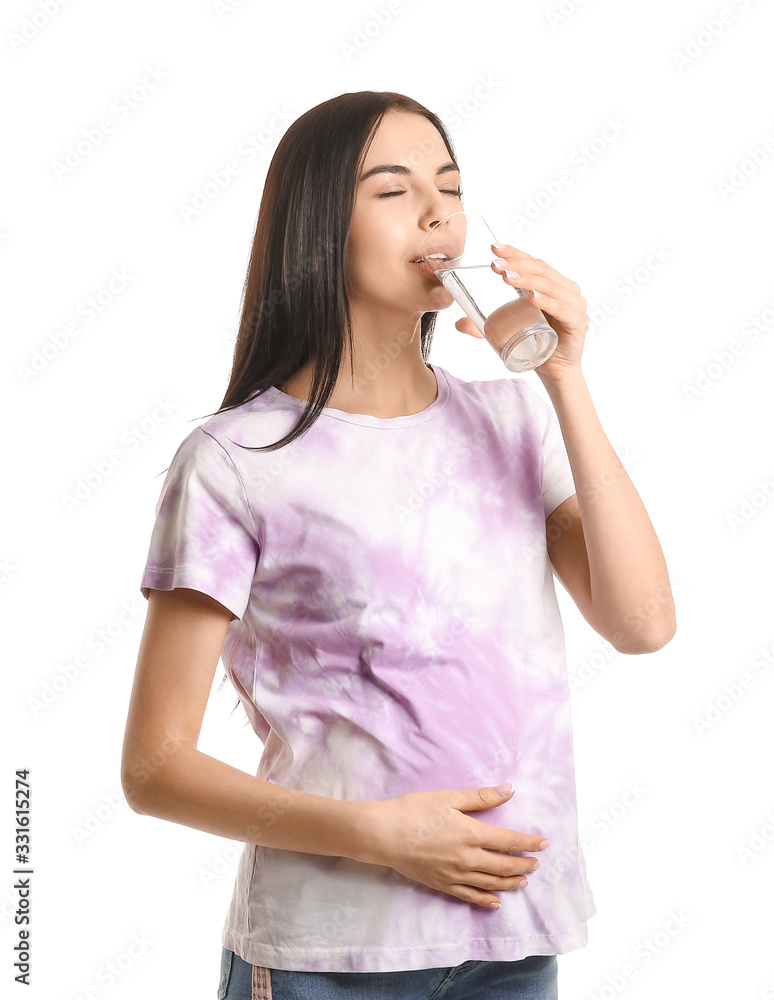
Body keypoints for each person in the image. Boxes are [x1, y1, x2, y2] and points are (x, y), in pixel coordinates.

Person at [121, 91, 676, 1000]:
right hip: (328, 955)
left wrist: (565, 380)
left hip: (512, 943)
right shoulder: (236, 460)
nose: (437, 214)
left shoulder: (513, 421)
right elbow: (155, 767)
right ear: (317, 227)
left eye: (450, 188)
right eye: (393, 189)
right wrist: (384, 836)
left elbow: (645, 622)